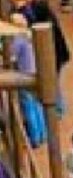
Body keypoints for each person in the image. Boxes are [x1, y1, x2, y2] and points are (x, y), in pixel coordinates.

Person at [10, 13, 46, 148]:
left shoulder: (18, 39)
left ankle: (35, 138)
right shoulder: (30, 35)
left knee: (28, 107)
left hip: (25, 75)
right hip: (35, 72)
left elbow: (12, 57)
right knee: (37, 105)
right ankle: (43, 134)